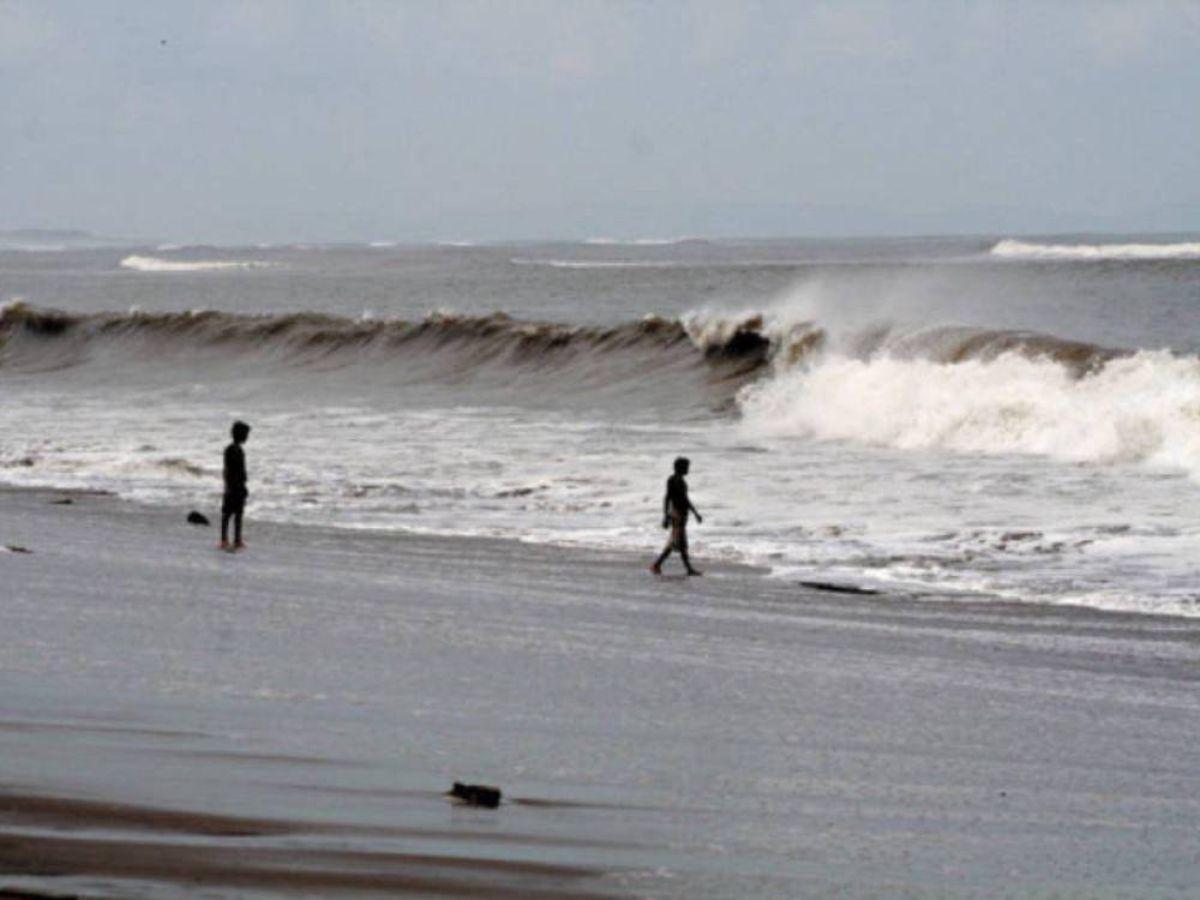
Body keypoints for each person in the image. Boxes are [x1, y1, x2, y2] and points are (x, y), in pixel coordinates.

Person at [651, 456, 702, 576]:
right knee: (679, 543)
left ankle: (657, 565)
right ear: (680, 468)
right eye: (686, 467)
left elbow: (685, 499)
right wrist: (666, 515)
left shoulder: (681, 481)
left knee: (677, 542)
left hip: (682, 514)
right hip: (677, 514)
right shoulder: (673, 480)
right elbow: (667, 498)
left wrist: (695, 513)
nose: (688, 469)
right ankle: (687, 569)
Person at [220, 420, 251, 551]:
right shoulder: (231, 450)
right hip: (233, 486)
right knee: (227, 514)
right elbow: (227, 469)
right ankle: (224, 540)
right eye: (246, 434)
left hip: (238, 485)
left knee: (239, 513)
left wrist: (244, 485)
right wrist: (228, 486)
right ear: (240, 435)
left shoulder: (239, 450)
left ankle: (237, 540)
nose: (247, 437)